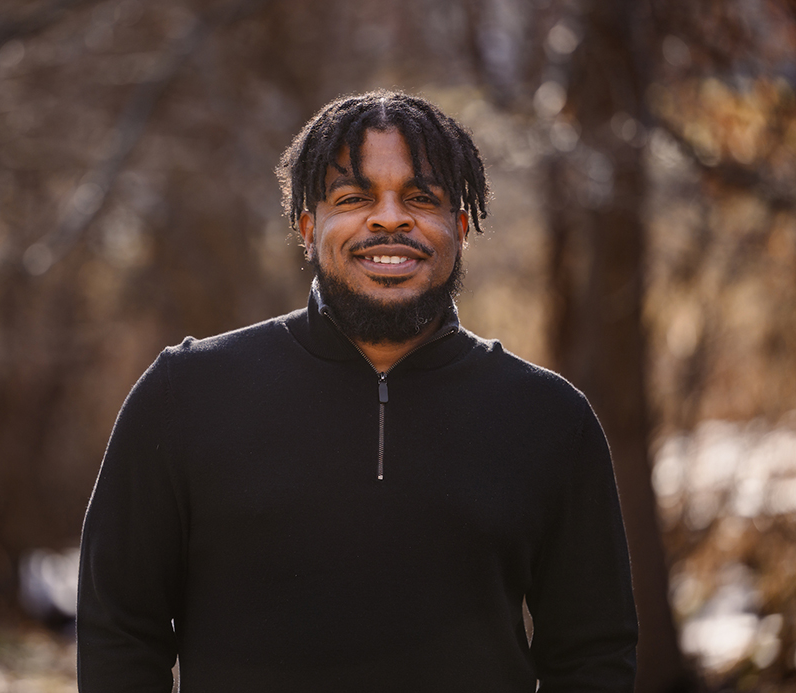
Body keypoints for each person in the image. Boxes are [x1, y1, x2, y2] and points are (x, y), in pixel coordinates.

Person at [77, 90, 638, 692]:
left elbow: (591, 654)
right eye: (355, 197)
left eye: (421, 198)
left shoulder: (549, 419)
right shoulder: (184, 395)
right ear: (308, 226)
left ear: (462, 226)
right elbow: (121, 631)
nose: (390, 218)